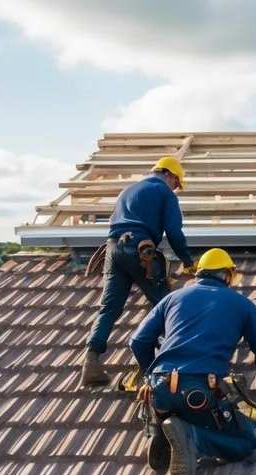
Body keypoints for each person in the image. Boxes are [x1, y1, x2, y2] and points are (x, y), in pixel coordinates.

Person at [129, 248, 256, 475]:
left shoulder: (172, 298)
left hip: (160, 390)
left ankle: (165, 432)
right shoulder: (240, 304)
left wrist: (151, 374)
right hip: (200, 393)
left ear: (199, 274)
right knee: (245, 443)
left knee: (177, 408)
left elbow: (138, 341)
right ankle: (193, 437)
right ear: (227, 276)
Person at [82, 156, 196, 386]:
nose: (176, 188)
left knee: (109, 308)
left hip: (113, 249)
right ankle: (177, 361)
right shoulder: (164, 192)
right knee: (165, 305)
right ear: (170, 175)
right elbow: (173, 231)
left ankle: (91, 362)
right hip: (139, 249)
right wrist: (187, 260)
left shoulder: (129, 189)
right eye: (177, 184)